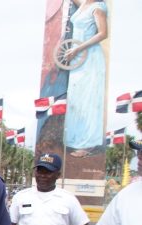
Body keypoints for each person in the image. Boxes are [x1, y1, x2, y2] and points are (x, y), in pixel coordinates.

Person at [64, 0, 108, 158]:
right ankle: (76, 139)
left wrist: (78, 48)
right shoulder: (83, 3)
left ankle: (87, 144)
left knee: (88, 100)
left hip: (90, 57)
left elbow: (103, 33)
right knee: (76, 97)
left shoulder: (97, 8)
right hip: (77, 58)